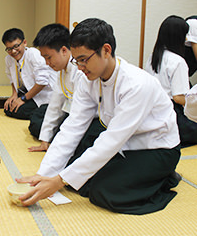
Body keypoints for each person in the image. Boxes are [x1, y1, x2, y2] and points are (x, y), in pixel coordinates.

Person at [17, 18, 181, 215]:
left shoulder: (136, 84)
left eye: (84, 59)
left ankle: (165, 178)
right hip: (125, 145)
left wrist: (58, 181)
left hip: (156, 148)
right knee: (75, 179)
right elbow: (73, 126)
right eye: (76, 60)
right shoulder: (89, 79)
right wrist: (43, 175)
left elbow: (111, 140)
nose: (79, 67)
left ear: (106, 50)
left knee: (105, 193)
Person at [28, 23, 87, 151]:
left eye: (49, 57)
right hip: (68, 111)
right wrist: (45, 141)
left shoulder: (80, 71)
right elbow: (55, 105)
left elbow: (79, 114)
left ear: (64, 50)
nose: (47, 63)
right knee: (37, 117)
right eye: (44, 58)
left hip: (82, 117)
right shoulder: (62, 71)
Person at [145, 15, 197, 147]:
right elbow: (179, 98)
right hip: (172, 113)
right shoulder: (178, 61)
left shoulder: (153, 57)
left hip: (151, 112)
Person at [2, 28, 57, 124]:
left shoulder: (34, 54)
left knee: (20, 110)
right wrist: (14, 95)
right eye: (9, 49)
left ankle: (43, 112)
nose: (13, 51)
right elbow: (11, 78)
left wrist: (23, 99)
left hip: (43, 94)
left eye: (16, 46)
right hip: (27, 92)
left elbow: (42, 82)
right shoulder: (9, 59)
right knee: (8, 108)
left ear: (24, 42)